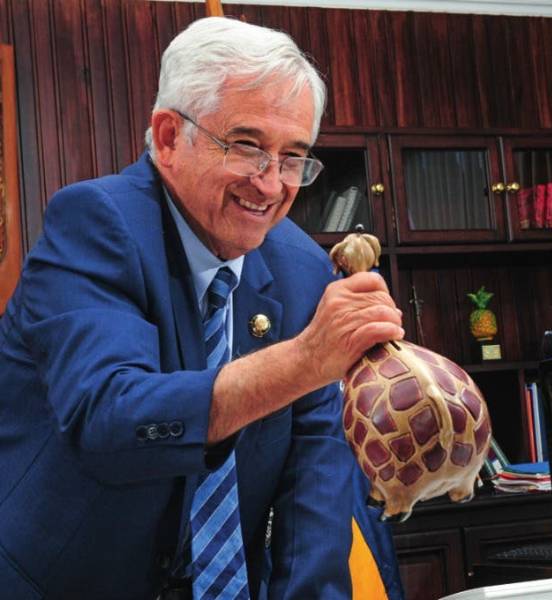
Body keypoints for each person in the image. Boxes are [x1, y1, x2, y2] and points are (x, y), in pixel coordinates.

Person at [0, 16, 404, 600]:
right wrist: (304, 360)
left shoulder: (302, 268)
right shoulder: (93, 224)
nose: (272, 185)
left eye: (293, 157)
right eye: (247, 147)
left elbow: (315, 479)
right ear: (168, 137)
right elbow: (109, 418)